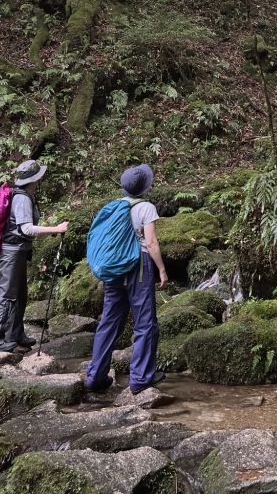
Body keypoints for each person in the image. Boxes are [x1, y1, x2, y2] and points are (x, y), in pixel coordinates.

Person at [85, 164, 170, 395]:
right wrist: (162, 269)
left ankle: (95, 376)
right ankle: (141, 378)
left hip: (114, 269)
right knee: (144, 322)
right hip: (139, 266)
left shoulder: (114, 207)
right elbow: (151, 244)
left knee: (109, 321)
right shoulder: (146, 207)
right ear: (145, 187)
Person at [0, 159, 69, 356]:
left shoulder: (24, 195)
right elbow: (26, 228)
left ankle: (15, 334)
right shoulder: (22, 198)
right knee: (6, 295)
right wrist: (56, 229)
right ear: (34, 179)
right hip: (12, 251)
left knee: (20, 294)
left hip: (18, 251)